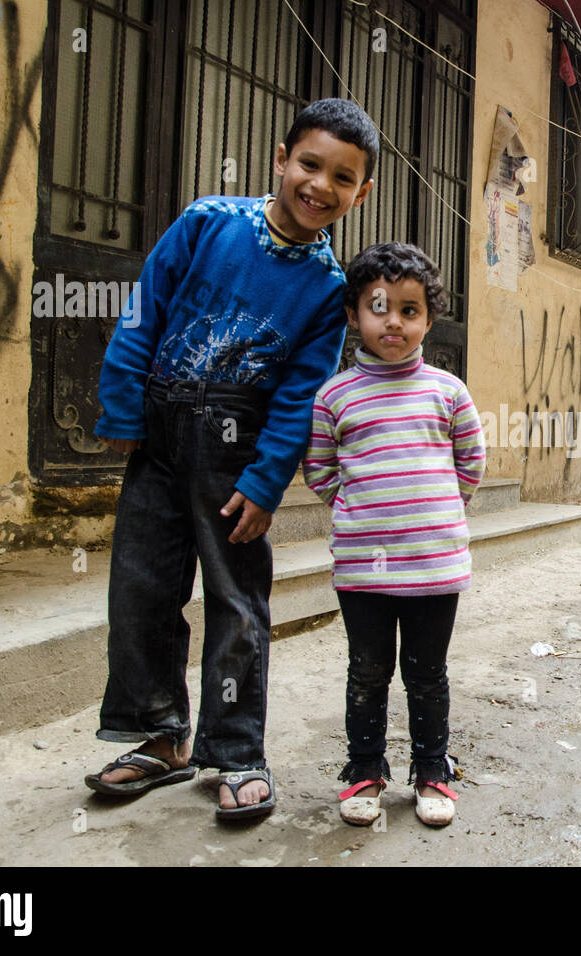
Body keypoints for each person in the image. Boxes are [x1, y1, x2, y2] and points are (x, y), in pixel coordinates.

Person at [83, 98, 378, 821]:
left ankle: (237, 749)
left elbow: (299, 396)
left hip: (236, 453)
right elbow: (143, 311)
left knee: (236, 605)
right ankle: (158, 737)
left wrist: (267, 480)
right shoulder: (207, 221)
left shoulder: (326, 290)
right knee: (142, 592)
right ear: (280, 158)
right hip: (158, 435)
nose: (320, 187)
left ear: (360, 194)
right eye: (310, 165)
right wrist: (124, 410)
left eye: (342, 179)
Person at [303, 242, 485, 828]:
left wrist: (434, 514)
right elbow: (321, 470)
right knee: (368, 671)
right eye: (379, 306)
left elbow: (470, 462)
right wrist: (360, 511)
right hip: (362, 570)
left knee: (427, 673)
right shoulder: (334, 396)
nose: (394, 321)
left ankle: (432, 770)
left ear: (428, 320)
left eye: (410, 310)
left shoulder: (448, 391)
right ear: (355, 313)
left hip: (434, 566)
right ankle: (364, 771)